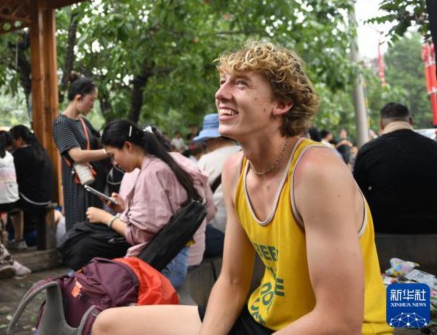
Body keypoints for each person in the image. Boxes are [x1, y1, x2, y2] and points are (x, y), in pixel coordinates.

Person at [92, 41, 389, 334]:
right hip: (264, 318)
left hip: (336, 328)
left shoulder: (316, 171)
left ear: (281, 104)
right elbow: (233, 281)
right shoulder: (235, 169)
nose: (221, 94)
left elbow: (339, 320)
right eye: (223, 82)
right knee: (108, 325)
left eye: (241, 84)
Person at [85, 120, 208, 290]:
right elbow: (159, 217)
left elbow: (141, 235)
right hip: (173, 261)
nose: (114, 163)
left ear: (128, 146)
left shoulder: (151, 173)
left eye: (113, 155)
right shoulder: (158, 165)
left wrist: (106, 218)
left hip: (163, 269)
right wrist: (123, 209)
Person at [353, 102, 437, 233]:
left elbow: (357, 193)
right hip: (432, 227)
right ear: (410, 120)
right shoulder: (433, 147)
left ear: (381, 124)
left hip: (384, 229)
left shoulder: (369, 151)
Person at [52, 75, 111, 231]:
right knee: (80, 230)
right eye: (91, 100)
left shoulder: (84, 122)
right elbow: (76, 155)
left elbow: (100, 140)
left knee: (95, 229)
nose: (92, 105)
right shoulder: (61, 123)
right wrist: (108, 152)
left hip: (93, 184)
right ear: (78, 98)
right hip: (77, 187)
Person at [193, 113, 241, 258]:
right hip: (250, 229)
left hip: (220, 231)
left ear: (215, 138)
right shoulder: (247, 154)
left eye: (206, 140)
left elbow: (197, 197)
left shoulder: (205, 161)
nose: (206, 144)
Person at [9, 125, 54, 245]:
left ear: (20, 139)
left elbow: (12, 179)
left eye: (12, 140)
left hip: (31, 200)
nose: (11, 144)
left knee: (8, 200)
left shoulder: (19, 154)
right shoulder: (41, 150)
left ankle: (18, 239)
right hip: (46, 198)